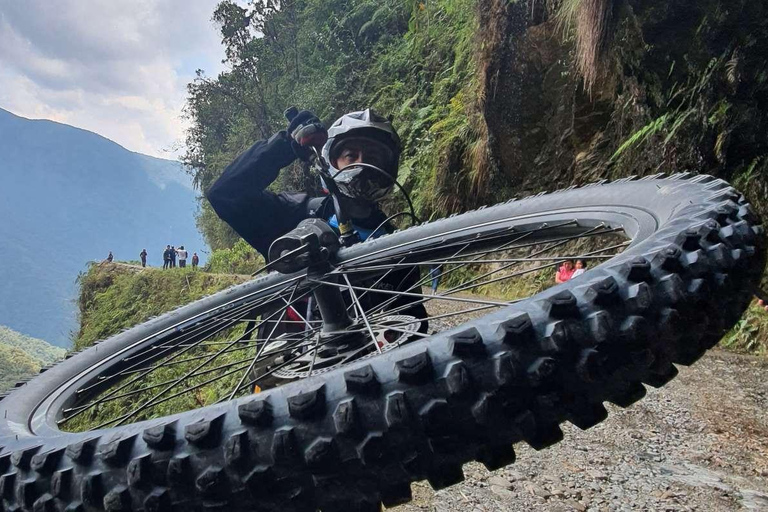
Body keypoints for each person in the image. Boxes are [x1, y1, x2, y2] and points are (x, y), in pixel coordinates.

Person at [206, 108, 427, 325]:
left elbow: (414, 320)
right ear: (331, 162)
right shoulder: (296, 214)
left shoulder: (398, 246)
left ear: (387, 168)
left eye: (373, 157)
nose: (362, 164)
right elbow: (226, 195)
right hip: (289, 359)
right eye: (351, 156)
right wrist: (285, 146)